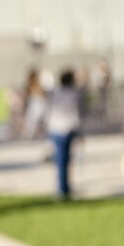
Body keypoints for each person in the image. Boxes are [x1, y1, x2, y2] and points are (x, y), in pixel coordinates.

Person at [46, 67, 82, 200]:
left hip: (57, 129)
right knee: (64, 160)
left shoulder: (56, 93)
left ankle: (64, 187)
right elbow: (75, 113)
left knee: (62, 160)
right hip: (67, 129)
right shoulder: (72, 94)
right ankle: (63, 188)